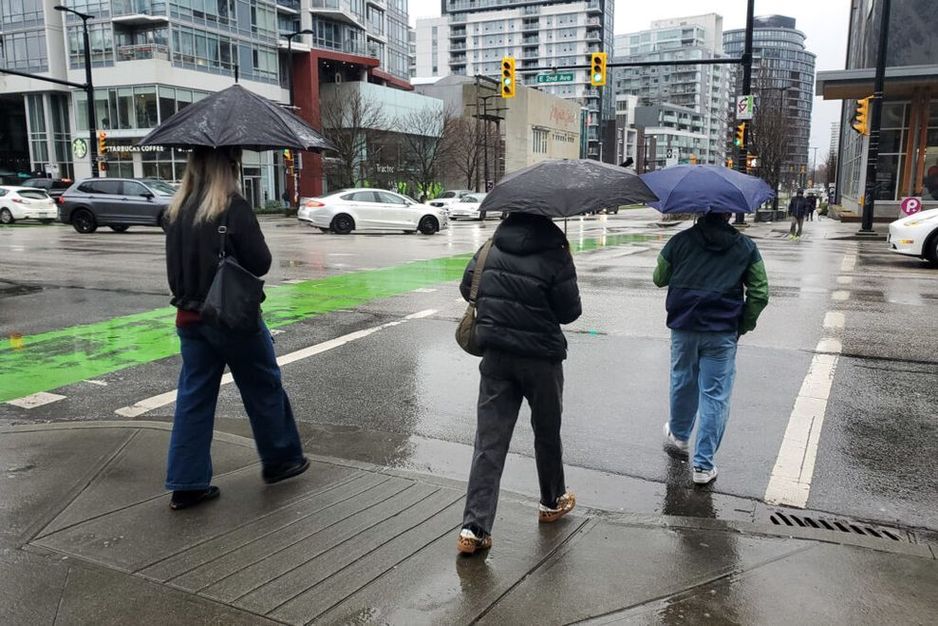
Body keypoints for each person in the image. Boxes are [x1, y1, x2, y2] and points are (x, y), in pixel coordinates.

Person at [164, 147, 308, 511]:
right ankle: (281, 460)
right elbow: (260, 263)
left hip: (188, 319)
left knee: (193, 399)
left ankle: (187, 483)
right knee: (263, 387)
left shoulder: (175, 211)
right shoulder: (233, 208)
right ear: (229, 168)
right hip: (231, 318)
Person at [457, 212, 582, 555]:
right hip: (541, 360)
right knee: (546, 432)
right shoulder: (555, 251)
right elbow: (570, 311)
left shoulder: (490, 247)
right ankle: (551, 501)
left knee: (489, 442)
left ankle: (474, 528)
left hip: (496, 356)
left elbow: (468, 287)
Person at [653, 212, 769, 485]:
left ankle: (679, 436)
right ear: (729, 213)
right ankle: (703, 466)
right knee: (715, 395)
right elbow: (760, 292)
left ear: (698, 211)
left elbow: (659, 277)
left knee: (683, 380)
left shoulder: (679, 242)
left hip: (684, 327)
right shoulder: (746, 247)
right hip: (722, 331)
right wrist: (743, 324)